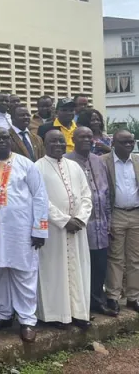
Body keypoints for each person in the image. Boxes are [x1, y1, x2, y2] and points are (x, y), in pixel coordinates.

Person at [0, 128, 49, 343]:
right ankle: (3, 314)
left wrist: (39, 229)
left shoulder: (26, 164)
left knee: (24, 273)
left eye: (5, 138)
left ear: (10, 140)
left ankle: (27, 320)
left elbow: (40, 196)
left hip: (21, 230)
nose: (1, 142)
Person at [35, 130, 92, 329]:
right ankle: (56, 316)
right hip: (54, 230)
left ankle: (78, 313)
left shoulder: (74, 166)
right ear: (44, 143)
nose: (58, 144)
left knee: (79, 270)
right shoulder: (38, 167)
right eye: (53, 141)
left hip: (77, 228)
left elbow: (86, 196)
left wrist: (80, 219)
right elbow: (40, 200)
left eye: (61, 140)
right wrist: (64, 220)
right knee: (54, 272)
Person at [65, 127, 115, 317]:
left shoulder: (98, 161)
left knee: (100, 266)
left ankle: (97, 301)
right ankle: (80, 305)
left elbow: (106, 193)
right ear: (73, 139)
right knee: (80, 267)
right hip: (79, 226)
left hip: (101, 226)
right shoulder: (67, 161)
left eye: (89, 136)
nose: (86, 139)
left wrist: (109, 223)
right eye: (82, 136)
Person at [102, 130, 139, 314]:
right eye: (124, 142)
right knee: (115, 258)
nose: (128, 145)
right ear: (113, 143)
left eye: (131, 142)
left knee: (135, 258)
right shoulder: (104, 161)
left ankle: (133, 297)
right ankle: (113, 297)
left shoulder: (137, 161)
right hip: (115, 214)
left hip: (136, 214)